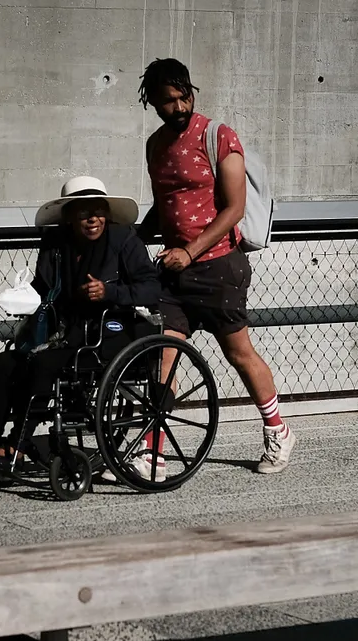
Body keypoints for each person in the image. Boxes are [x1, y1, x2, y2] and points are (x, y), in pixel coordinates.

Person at [126, 57, 297, 479]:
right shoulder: (155, 146)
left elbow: (234, 208)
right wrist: (127, 236)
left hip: (219, 266)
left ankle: (278, 430)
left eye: (184, 96)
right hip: (173, 272)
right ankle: (154, 454)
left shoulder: (217, 136)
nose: (179, 106)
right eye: (168, 101)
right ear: (152, 102)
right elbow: (166, 209)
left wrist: (191, 250)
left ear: (191, 92)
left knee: (238, 354)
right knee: (161, 357)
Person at [0, 176, 161, 466]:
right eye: (83, 213)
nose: (92, 219)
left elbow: (151, 288)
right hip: (66, 333)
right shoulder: (57, 244)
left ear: (107, 214)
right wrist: (21, 296)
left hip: (110, 335)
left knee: (43, 365)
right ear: (70, 217)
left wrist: (109, 291)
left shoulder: (124, 240)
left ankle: (18, 445)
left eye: (98, 211)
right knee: (5, 362)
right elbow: (44, 288)